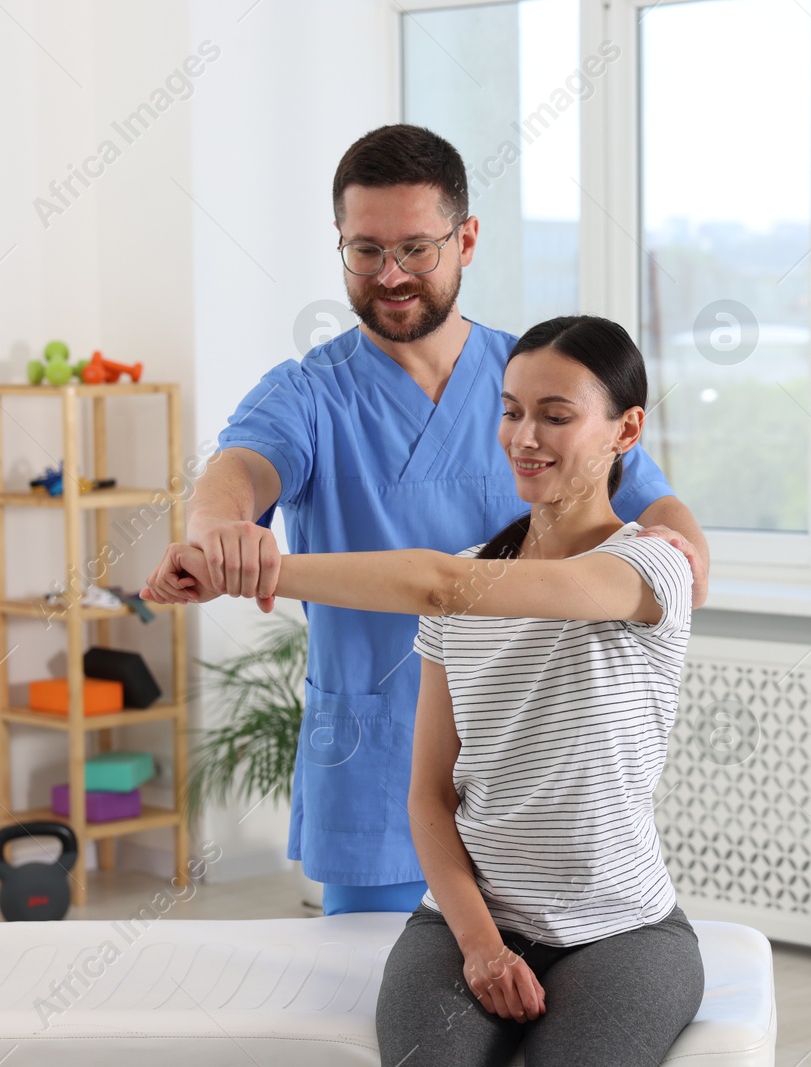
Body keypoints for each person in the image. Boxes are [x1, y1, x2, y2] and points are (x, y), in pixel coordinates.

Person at [142, 124, 710, 916]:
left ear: (466, 238)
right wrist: (222, 530)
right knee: (388, 1026)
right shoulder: (310, 392)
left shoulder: (538, 382)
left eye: (416, 248)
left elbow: (652, 498)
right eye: (365, 250)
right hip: (381, 771)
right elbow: (236, 472)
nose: (391, 274)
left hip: (534, 781)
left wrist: (685, 545)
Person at [145, 315, 704, 1067]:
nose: (524, 437)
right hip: (460, 921)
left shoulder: (649, 568)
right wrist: (481, 947)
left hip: (621, 929)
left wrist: (252, 570)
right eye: (510, 411)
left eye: (556, 416)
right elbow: (429, 797)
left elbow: (439, 585)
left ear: (625, 429)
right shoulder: (466, 578)